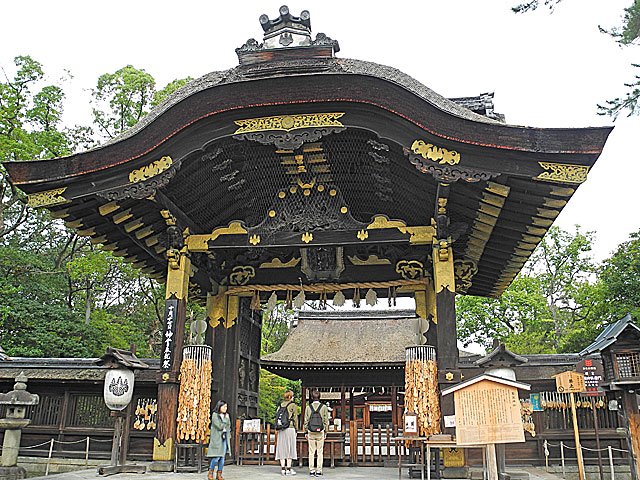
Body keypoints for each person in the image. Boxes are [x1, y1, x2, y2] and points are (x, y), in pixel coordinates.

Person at [303, 390, 329, 477]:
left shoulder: (308, 407)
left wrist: (306, 431)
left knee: (311, 451)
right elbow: (325, 421)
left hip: (311, 431)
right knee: (320, 452)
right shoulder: (324, 407)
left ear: (311, 397)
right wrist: (325, 431)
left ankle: (311, 470)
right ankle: (319, 470)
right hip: (320, 431)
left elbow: (306, 421)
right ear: (320, 397)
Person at [275, 390, 298, 476]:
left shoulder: (280, 405)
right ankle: (288, 469)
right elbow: (295, 418)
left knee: (282, 448)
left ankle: (282, 469)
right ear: (290, 397)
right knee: (290, 448)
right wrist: (296, 429)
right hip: (290, 428)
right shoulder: (292, 405)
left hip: (281, 429)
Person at [206, 400, 231, 480]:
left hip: (224, 437)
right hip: (217, 438)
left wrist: (228, 434)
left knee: (222, 458)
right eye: (224, 407)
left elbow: (228, 426)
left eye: (226, 407)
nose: (225, 408)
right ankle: (210, 472)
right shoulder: (215, 415)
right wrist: (226, 420)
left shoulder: (227, 415)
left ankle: (219, 474)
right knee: (217, 456)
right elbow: (219, 426)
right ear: (219, 406)